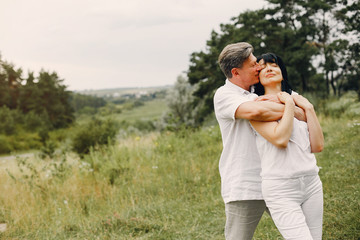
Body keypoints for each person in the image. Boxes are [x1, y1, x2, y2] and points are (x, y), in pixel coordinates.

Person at [214, 42, 305, 240]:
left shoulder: (257, 91)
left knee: (302, 233)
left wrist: (292, 107)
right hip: (246, 183)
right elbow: (257, 111)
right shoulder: (225, 95)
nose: (260, 67)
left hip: (278, 180)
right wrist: (293, 108)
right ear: (236, 72)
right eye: (254, 64)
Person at [250, 52, 324, 239]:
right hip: (280, 187)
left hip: (311, 182)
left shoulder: (300, 100)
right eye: (263, 66)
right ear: (257, 77)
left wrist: (309, 109)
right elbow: (280, 140)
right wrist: (290, 105)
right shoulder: (257, 105)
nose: (269, 68)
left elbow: (317, 146)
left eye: (274, 65)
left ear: (282, 71)